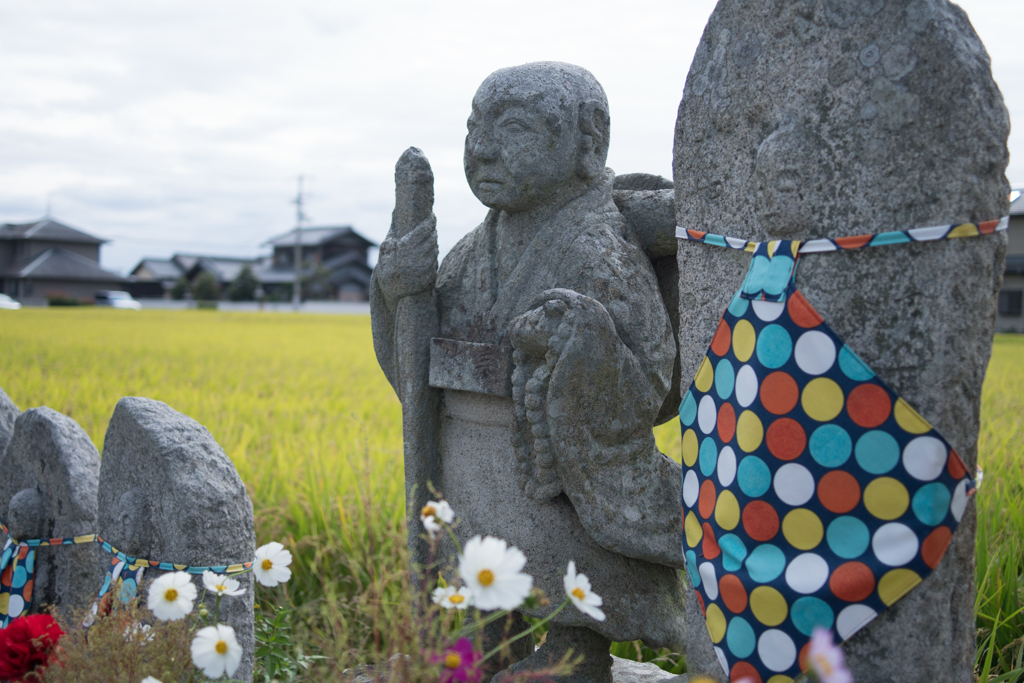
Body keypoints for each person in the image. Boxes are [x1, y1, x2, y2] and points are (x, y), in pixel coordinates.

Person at [371, 62, 685, 683]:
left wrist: (581, 343)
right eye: (472, 129)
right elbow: (413, 366)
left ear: (587, 147)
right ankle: (493, 640)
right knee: (477, 558)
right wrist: (398, 291)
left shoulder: (598, 247)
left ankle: (578, 651)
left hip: (550, 469)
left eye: (511, 128)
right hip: (467, 455)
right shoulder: (471, 250)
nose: (481, 148)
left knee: (566, 565)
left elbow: (650, 371)